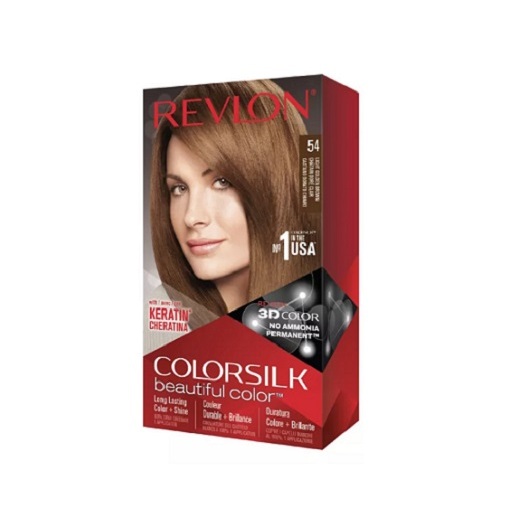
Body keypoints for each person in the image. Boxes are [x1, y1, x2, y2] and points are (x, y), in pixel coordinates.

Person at [150, 79, 320, 318]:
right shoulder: (156, 327)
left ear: (277, 185)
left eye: (222, 182)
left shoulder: (331, 316)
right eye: (179, 188)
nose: (191, 216)